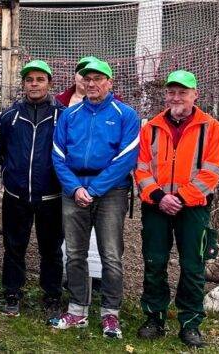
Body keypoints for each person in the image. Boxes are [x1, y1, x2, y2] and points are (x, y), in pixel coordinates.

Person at [51, 59, 140, 339]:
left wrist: (95, 189)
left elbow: (126, 158)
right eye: (87, 79)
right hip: (74, 188)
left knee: (111, 255)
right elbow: (57, 153)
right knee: (75, 253)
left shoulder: (125, 114)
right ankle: (77, 310)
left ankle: (110, 314)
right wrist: (75, 188)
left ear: (109, 82)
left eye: (98, 78)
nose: (91, 84)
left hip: (110, 191)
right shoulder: (70, 114)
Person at [135, 70, 219, 349]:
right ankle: (154, 317)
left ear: (195, 94)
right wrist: (160, 196)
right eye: (171, 92)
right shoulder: (150, 127)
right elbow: (141, 168)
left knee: (193, 266)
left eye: (182, 92)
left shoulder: (211, 127)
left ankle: (190, 323)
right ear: (165, 95)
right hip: (155, 206)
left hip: (193, 208)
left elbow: (212, 171)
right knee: (154, 262)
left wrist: (181, 198)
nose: (176, 97)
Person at [0, 60, 65, 318]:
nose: (34, 84)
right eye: (29, 79)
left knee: (51, 248)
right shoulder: (10, 116)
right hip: (17, 194)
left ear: (49, 83)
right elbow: (0, 149)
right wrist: (13, 173)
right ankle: (12, 292)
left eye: (39, 79)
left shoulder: (62, 116)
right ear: (23, 84)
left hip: (51, 195)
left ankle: (52, 295)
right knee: (14, 246)